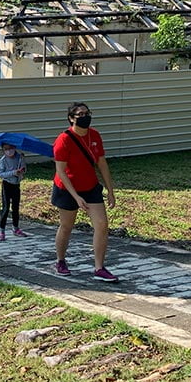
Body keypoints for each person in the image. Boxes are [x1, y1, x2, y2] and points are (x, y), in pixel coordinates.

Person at [51, 102, 119, 282]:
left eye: (87, 113)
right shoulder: (63, 139)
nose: (85, 117)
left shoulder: (95, 135)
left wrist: (110, 190)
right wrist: (76, 197)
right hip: (67, 189)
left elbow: (102, 164)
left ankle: (99, 268)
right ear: (71, 118)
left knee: (102, 224)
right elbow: (61, 171)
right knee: (67, 226)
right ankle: (60, 261)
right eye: (80, 114)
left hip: (90, 187)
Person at [0, 142, 28, 241]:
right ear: (3, 150)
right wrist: (14, 172)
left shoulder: (19, 157)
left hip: (16, 184)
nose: (9, 151)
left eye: (11, 148)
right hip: (7, 184)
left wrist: (22, 168)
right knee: (6, 208)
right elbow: (1, 174)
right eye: (6, 149)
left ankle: (16, 228)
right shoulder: (3, 160)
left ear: (14, 148)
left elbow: (24, 170)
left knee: (16, 207)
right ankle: (2, 230)